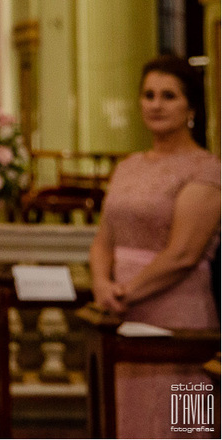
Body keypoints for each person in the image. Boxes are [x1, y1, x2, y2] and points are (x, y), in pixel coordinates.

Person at [89, 54, 220, 439]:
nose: (156, 104)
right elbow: (102, 239)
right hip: (120, 315)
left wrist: (127, 290)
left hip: (179, 318)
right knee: (127, 417)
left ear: (191, 106)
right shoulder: (128, 166)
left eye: (169, 96)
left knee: (179, 422)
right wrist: (101, 285)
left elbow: (184, 254)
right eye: (148, 95)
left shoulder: (206, 169)